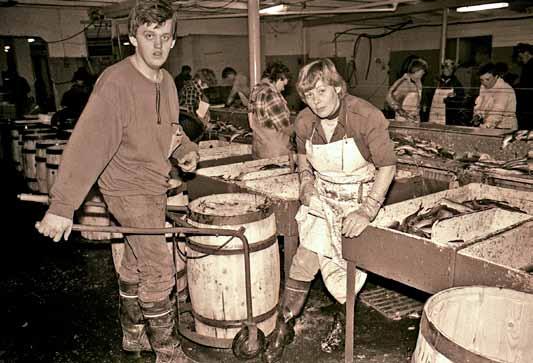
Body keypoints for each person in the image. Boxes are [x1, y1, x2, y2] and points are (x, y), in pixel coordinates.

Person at [35, 1, 199, 362]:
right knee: (158, 269)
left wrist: (184, 148)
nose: (157, 45)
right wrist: (62, 207)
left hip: (154, 182)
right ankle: (169, 355)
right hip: (126, 187)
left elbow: (170, 129)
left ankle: (133, 334)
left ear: (173, 41)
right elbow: (87, 145)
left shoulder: (168, 83)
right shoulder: (116, 83)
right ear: (132, 38)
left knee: (136, 262)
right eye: (148, 35)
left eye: (165, 36)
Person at [262, 58, 397, 363]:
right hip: (322, 201)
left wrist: (368, 210)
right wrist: (306, 183)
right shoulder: (305, 121)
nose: (315, 101)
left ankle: (344, 322)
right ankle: (284, 327)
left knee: (345, 276)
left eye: (321, 92)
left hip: (357, 203)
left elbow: (388, 166)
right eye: (308, 95)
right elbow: (302, 159)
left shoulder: (366, 117)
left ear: (337, 87)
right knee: (302, 262)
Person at [248, 61, 292, 159]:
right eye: (283, 84)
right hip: (276, 153)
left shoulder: (256, 90)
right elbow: (285, 128)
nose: (283, 89)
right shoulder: (271, 95)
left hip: (259, 149)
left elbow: (251, 124)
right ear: (279, 78)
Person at [472, 62, 517, 130]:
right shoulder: (483, 87)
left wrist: (485, 127)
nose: (484, 83)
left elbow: (497, 113)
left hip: (505, 128)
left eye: (487, 79)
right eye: (481, 80)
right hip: (490, 126)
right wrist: (478, 115)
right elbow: (481, 104)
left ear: (496, 77)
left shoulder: (504, 89)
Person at [386, 58, 428, 122]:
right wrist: (403, 113)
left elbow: (417, 102)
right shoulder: (404, 81)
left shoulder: (417, 83)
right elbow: (389, 97)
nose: (424, 73)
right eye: (423, 71)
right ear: (417, 70)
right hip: (403, 120)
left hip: (413, 119)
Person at [428, 59, 464, 124]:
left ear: (453, 70)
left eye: (449, 68)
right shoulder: (437, 80)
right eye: (444, 67)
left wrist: (454, 96)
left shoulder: (456, 83)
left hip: (448, 114)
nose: (446, 70)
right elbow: (429, 94)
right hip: (434, 110)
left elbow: (461, 97)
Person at [514, 43, 533, 130]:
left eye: (520, 53)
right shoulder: (527, 65)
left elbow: (526, 84)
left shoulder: (529, 65)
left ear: (526, 52)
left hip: (528, 103)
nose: (519, 58)